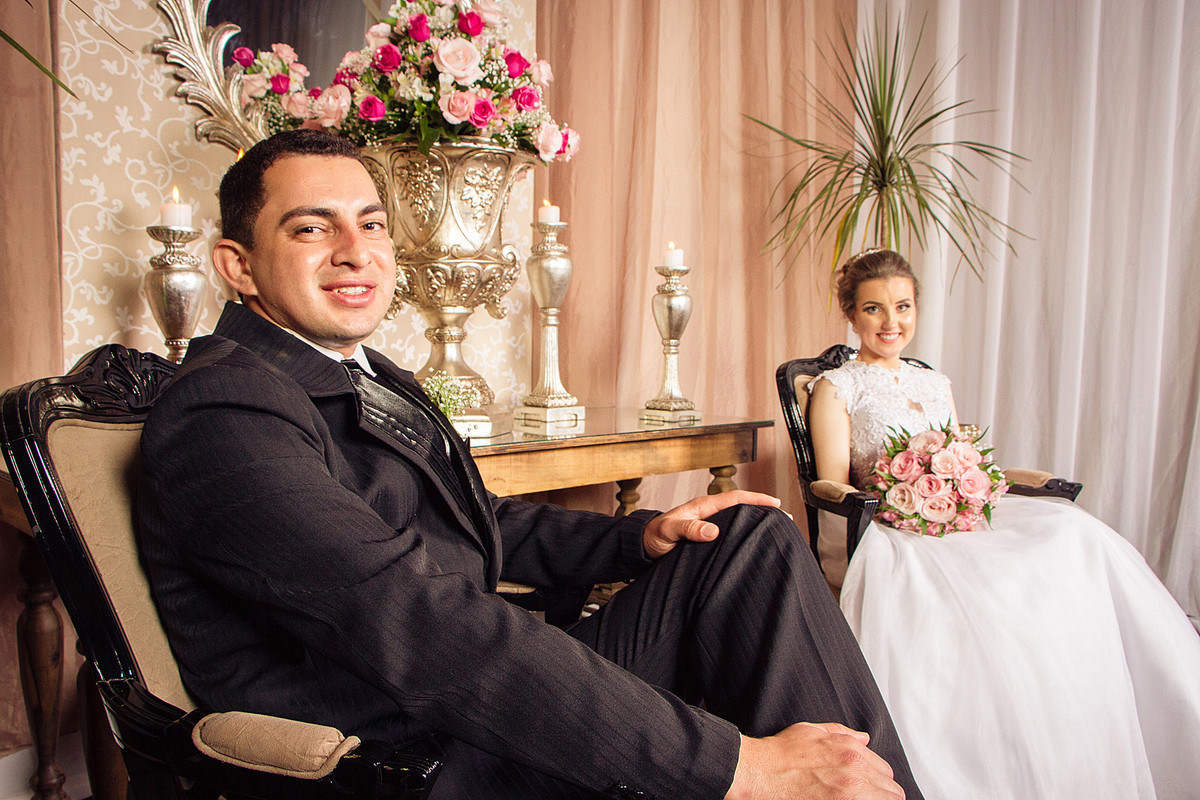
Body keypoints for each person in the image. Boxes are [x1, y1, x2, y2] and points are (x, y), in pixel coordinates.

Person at [137, 129, 924, 800]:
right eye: (312, 229)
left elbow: (484, 520)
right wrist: (741, 767)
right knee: (759, 741)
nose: (357, 252)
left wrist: (637, 538)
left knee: (743, 536)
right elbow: (416, 624)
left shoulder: (369, 374)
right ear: (237, 267)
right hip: (413, 751)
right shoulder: (228, 410)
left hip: (468, 698)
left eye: (371, 225)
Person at [806, 249, 1200, 800]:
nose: (891, 322)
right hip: (893, 522)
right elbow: (832, 484)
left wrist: (967, 481)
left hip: (952, 510)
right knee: (983, 580)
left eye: (903, 306)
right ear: (851, 313)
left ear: (917, 308)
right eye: (874, 309)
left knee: (1072, 536)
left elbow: (959, 452)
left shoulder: (933, 382)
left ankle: (1078, 699)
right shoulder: (836, 388)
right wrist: (902, 496)